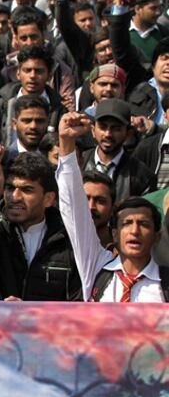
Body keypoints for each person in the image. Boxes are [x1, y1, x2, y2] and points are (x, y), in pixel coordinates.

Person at [57, 112, 168, 302]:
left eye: (144, 224)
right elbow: (73, 209)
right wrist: (66, 144)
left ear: (157, 236)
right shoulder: (97, 266)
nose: (135, 231)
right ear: (115, 233)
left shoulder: (165, 284)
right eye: (126, 224)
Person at [0, 144, 80, 301]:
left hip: (47, 326)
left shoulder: (67, 239)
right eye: (10, 188)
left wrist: (30, 313)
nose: (15, 197)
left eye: (27, 190)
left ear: (48, 199)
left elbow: (76, 306)